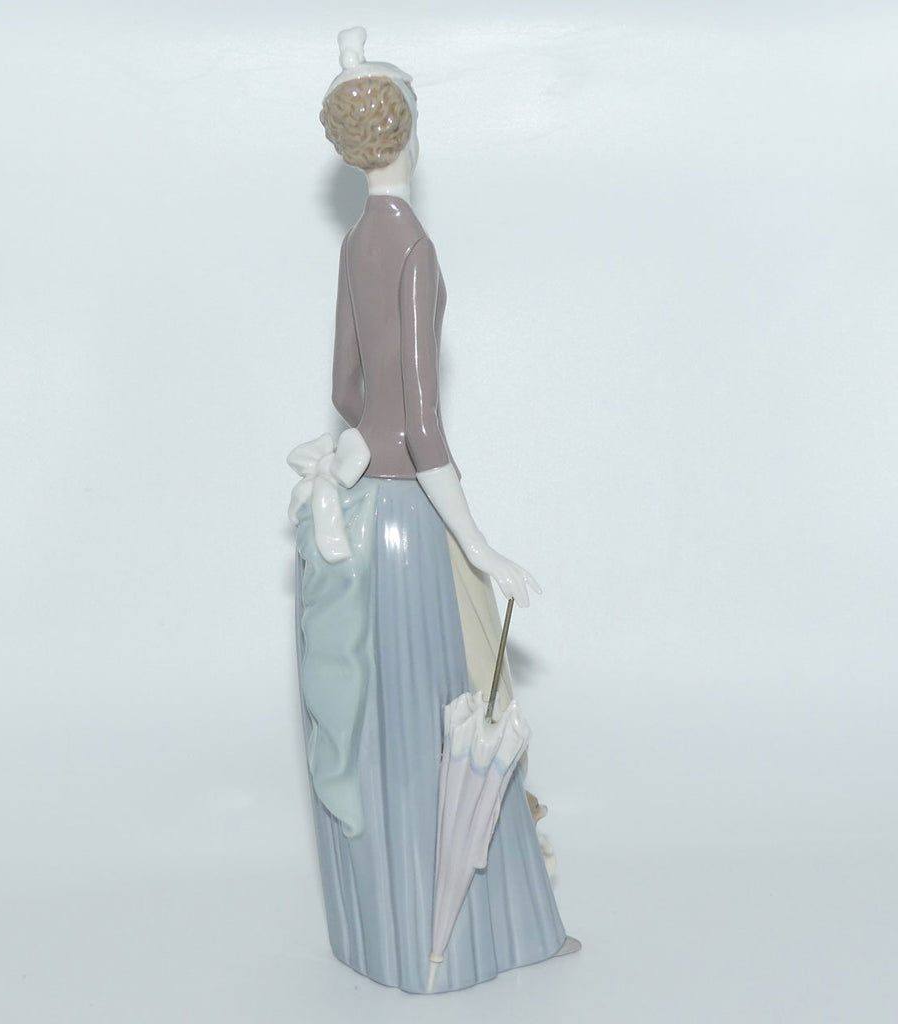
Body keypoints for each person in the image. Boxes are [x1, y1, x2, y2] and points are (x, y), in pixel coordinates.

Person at [290, 27, 578, 994]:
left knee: (383, 727)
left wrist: (358, 451)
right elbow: (419, 423)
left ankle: (382, 936)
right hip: (413, 519)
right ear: (412, 132)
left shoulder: (354, 242)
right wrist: (482, 546)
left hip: (363, 511)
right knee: (456, 717)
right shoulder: (412, 246)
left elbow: (349, 389)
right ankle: (468, 942)